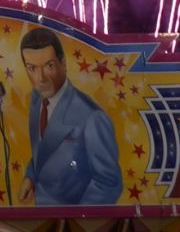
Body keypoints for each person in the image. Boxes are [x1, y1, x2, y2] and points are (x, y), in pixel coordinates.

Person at [15, 26, 123, 205]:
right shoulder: (37, 100)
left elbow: (108, 183)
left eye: (49, 66)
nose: (40, 78)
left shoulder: (92, 117)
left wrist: (76, 222)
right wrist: (31, 176)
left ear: (63, 64)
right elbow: (44, 150)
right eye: (32, 68)